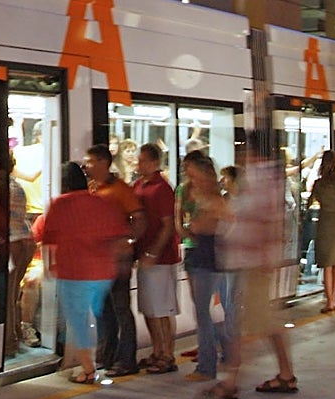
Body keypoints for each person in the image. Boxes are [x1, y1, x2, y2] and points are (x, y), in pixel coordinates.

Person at [214, 144, 296, 399]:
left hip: (254, 264)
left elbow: (267, 225)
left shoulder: (261, 182)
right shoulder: (260, 181)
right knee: (257, 322)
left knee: (252, 323)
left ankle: (232, 381)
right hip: (249, 263)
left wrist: (265, 257)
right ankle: (282, 374)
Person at [39, 162, 131, 383]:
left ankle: (88, 368)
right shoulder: (101, 202)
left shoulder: (58, 205)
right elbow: (118, 236)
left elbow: (48, 240)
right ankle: (99, 358)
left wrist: (48, 267)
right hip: (103, 273)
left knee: (78, 320)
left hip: (73, 271)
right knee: (97, 315)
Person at [82, 144, 147, 377]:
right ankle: (105, 356)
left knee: (120, 309)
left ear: (102, 163)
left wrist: (128, 242)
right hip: (99, 260)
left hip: (117, 260)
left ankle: (127, 360)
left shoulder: (120, 190)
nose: (86, 166)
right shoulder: (93, 189)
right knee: (102, 310)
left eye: (89, 161)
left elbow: (139, 217)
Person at [180, 150, 231, 383]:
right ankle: (226, 353)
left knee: (202, 311)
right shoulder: (206, 195)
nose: (189, 176)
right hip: (204, 252)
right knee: (206, 310)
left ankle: (207, 365)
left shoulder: (212, 198)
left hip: (206, 253)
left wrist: (198, 228)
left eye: (192, 171)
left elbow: (225, 222)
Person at [132, 143, 181, 374]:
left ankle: (167, 354)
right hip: (145, 255)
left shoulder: (162, 188)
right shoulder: (139, 185)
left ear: (153, 163)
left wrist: (154, 252)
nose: (138, 164)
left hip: (161, 259)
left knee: (161, 309)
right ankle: (157, 350)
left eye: (142, 160)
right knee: (149, 308)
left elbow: (168, 225)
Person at [306, 150, 335, 313]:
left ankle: (329, 300)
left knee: (326, 264)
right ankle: (333, 300)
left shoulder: (318, 184)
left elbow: (310, 201)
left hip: (324, 222)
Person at [7, 154, 38, 355]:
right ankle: (16, 333)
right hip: (25, 239)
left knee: (7, 296)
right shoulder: (16, 185)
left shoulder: (1, 188)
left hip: (13, 242)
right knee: (14, 293)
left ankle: (9, 343)